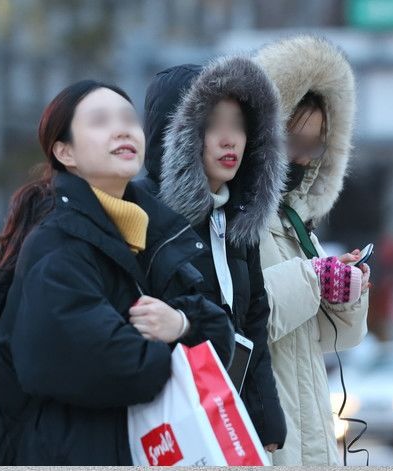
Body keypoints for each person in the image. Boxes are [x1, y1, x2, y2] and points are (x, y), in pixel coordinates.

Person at [0, 80, 234, 465]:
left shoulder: (150, 232)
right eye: (100, 121)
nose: (122, 129)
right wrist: (182, 340)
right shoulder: (58, 245)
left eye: (128, 118)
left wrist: (182, 325)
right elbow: (118, 364)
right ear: (64, 151)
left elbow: (221, 335)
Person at [140, 57, 287, 451]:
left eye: (238, 124)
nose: (230, 139)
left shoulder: (238, 216)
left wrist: (266, 420)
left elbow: (253, 320)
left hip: (228, 422)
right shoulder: (141, 213)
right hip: (166, 425)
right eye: (213, 124)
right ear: (179, 133)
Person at [253, 35, 371, 465]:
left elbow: (334, 337)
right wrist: (314, 278)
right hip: (265, 436)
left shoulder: (293, 222)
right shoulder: (235, 220)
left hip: (309, 430)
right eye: (291, 142)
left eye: (314, 145)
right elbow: (242, 316)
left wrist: (347, 296)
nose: (302, 159)